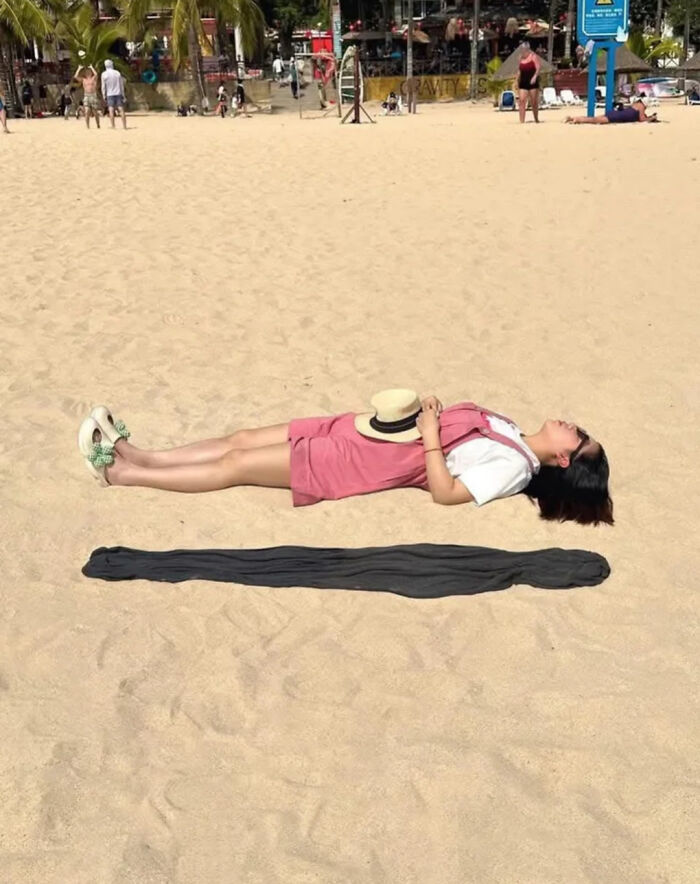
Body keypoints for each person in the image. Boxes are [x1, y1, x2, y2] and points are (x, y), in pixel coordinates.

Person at [76, 390, 613, 526]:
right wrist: (432, 411)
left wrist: (429, 434)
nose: (572, 425)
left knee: (237, 469)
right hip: (366, 429)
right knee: (241, 439)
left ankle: (121, 475)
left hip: (363, 463)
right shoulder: (511, 430)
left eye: (579, 436)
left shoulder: (516, 468)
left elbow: (446, 493)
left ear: (565, 461)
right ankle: (138, 454)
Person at [565, 97, 657, 124]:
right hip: (618, 117)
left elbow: (640, 116)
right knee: (593, 120)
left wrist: (649, 117)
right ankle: (576, 119)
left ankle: (573, 118)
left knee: (593, 118)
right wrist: (651, 118)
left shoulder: (636, 104)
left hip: (617, 113)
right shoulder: (641, 107)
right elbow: (641, 119)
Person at [515, 42, 541, 124]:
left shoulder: (533, 56)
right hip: (523, 81)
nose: (522, 51)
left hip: (532, 81)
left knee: (534, 102)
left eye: (523, 50)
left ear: (527, 49)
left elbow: (538, 68)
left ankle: (536, 119)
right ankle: (521, 121)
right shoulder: (520, 58)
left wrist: (535, 77)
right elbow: (519, 70)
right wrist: (516, 80)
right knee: (522, 101)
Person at [100, 59, 127, 129]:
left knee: (111, 110)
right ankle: (124, 126)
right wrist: (123, 95)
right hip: (118, 93)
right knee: (121, 109)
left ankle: (113, 125)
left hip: (109, 94)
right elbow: (121, 85)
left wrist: (103, 95)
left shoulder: (104, 74)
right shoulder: (117, 73)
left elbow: (103, 86)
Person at [75, 64, 101, 129]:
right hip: (86, 95)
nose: (88, 73)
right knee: (87, 111)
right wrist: (79, 68)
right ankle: (87, 126)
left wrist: (92, 67)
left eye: (89, 72)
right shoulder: (84, 79)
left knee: (95, 112)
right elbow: (75, 76)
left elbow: (96, 74)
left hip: (93, 95)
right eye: (86, 72)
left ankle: (98, 124)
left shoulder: (93, 78)